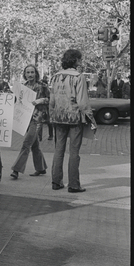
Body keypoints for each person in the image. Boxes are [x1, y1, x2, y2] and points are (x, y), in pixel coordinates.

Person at [49, 49, 97, 192]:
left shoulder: (55, 76)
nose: (80, 62)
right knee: (74, 152)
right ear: (75, 60)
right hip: (74, 117)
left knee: (59, 150)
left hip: (58, 117)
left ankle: (56, 182)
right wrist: (90, 117)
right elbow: (82, 102)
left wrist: (52, 115)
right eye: (79, 59)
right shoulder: (79, 77)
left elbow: (52, 100)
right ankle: (74, 185)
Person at [10, 64, 49, 179]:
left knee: (26, 144)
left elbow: (52, 100)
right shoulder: (23, 86)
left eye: (32, 72)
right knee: (35, 145)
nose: (30, 74)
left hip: (37, 119)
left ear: (36, 73)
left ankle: (16, 170)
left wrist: (41, 100)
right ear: (25, 74)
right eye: (28, 72)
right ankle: (41, 168)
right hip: (26, 118)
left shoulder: (43, 86)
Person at [41, 75, 54, 140]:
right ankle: (39, 136)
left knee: (49, 122)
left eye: (44, 84)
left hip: (47, 107)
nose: (43, 85)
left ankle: (51, 135)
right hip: (42, 107)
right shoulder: (40, 89)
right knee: (40, 122)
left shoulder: (48, 90)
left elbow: (50, 98)